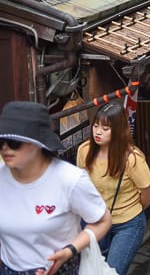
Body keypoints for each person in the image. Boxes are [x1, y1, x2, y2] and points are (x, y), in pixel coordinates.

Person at [0, 101, 112, 274]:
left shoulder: (69, 179)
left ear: (36, 143)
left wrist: (70, 250)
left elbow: (103, 220)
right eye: (1, 142)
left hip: (62, 269)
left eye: (14, 142)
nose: (5, 148)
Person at [77, 102, 150, 275]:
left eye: (105, 128)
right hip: (95, 220)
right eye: (96, 126)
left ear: (119, 130)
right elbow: (81, 186)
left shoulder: (132, 159)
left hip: (127, 224)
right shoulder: (84, 151)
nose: (98, 132)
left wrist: (130, 209)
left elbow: (149, 192)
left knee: (112, 271)